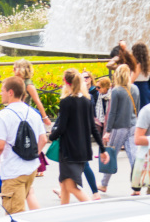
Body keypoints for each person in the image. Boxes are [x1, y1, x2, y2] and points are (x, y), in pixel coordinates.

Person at [0, 76, 48, 214]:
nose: (0, 93)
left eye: (2, 90)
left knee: (14, 214)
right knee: (21, 212)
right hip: (30, 169)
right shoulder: (33, 113)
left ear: (10, 92)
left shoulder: (1, 116)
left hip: (13, 171)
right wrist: (31, 155)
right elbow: (43, 139)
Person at [48, 69, 107, 204]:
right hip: (83, 151)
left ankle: (93, 211)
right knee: (64, 186)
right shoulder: (86, 101)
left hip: (69, 151)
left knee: (70, 187)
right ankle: (65, 215)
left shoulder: (66, 102)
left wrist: (49, 138)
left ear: (65, 82)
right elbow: (93, 128)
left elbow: (61, 127)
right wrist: (103, 149)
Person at [102, 64, 139, 194]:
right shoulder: (135, 88)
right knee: (133, 156)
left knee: (111, 155)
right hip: (133, 125)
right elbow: (138, 108)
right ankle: (136, 187)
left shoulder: (116, 91)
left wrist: (108, 131)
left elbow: (112, 113)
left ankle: (103, 184)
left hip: (119, 127)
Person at [12, 60, 51, 128]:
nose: (13, 70)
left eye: (15, 69)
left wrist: (45, 118)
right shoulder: (15, 81)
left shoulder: (28, 84)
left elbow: (37, 101)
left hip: (25, 113)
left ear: (21, 70)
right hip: (16, 110)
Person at [131, 43, 150, 108]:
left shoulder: (138, 65)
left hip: (138, 89)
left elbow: (131, 80)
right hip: (146, 89)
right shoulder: (147, 64)